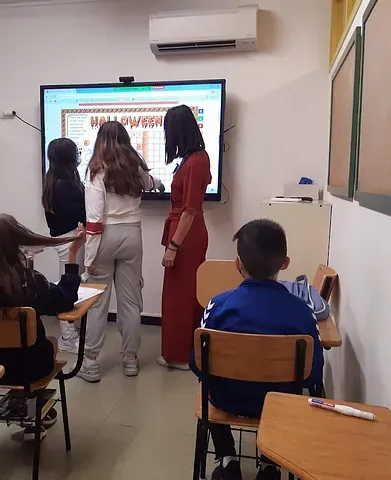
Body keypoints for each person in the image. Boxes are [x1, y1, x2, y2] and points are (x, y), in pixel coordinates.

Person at [190, 220, 324, 480]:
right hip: (281, 406)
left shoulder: (217, 305)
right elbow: (313, 375)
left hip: (226, 400)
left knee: (207, 383)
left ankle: (227, 458)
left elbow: (197, 364)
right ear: (285, 263)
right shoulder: (303, 313)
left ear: (238, 263)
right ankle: (270, 463)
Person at [0, 214, 85, 441]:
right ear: (14, 247)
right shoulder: (28, 282)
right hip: (26, 370)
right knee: (49, 342)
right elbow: (64, 300)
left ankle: (33, 412)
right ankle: (34, 413)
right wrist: (72, 255)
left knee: (13, 348)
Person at [79, 121, 164, 383]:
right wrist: (159, 185)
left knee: (97, 304)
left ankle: (91, 363)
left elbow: (93, 221)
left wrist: (89, 259)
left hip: (104, 237)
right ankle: (130, 360)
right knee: (130, 302)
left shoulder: (96, 171)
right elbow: (152, 182)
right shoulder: (133, 167)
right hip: (132, 236)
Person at [159, 105, 212, 370]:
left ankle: (181, 355)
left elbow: (190, 210)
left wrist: (173, 246)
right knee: (179, 294)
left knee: (181, 296)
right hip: (183, 231)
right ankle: (179, 351)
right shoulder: (193, 158)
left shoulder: (197, 161)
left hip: (186, 236)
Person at [42, 137, 87, 354]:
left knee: (71, 282)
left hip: (64, 238)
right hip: (70, 239)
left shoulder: (53, 180)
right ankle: (68, 338)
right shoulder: (65, 185)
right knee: (68, 284)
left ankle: (71, 332)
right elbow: (79, 213)